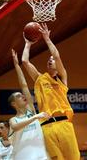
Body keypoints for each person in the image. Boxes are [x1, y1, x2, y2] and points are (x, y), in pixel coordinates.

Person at [22, 23, 80, 160]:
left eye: (52, 60)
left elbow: (56, 55)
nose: (50, 60)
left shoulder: (61, 78)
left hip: (64, 125)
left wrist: (47, 38)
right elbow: (25, 61)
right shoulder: (40, 79)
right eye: (49, 59)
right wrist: (28, 44)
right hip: (46, 127)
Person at [8, 49, 51, 160]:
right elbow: (15, 127)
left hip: (41, 156)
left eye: (22, 95)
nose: (23, 96)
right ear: (14, 104)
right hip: (22, 156)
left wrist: (17, 65)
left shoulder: (30, 110)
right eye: (18, 96)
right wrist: (36, 116)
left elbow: (24, 85)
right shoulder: (14, 120)